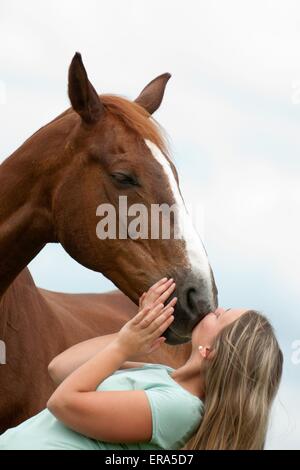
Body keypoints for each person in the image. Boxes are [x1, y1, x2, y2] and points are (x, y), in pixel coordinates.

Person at [0, 278, 283, 450]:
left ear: (211, 350)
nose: (215, 309)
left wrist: (125, 346)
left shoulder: (180, 408)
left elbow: (62, 402)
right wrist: (132, 331)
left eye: (221, 317)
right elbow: (61, 368)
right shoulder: (164, 377)